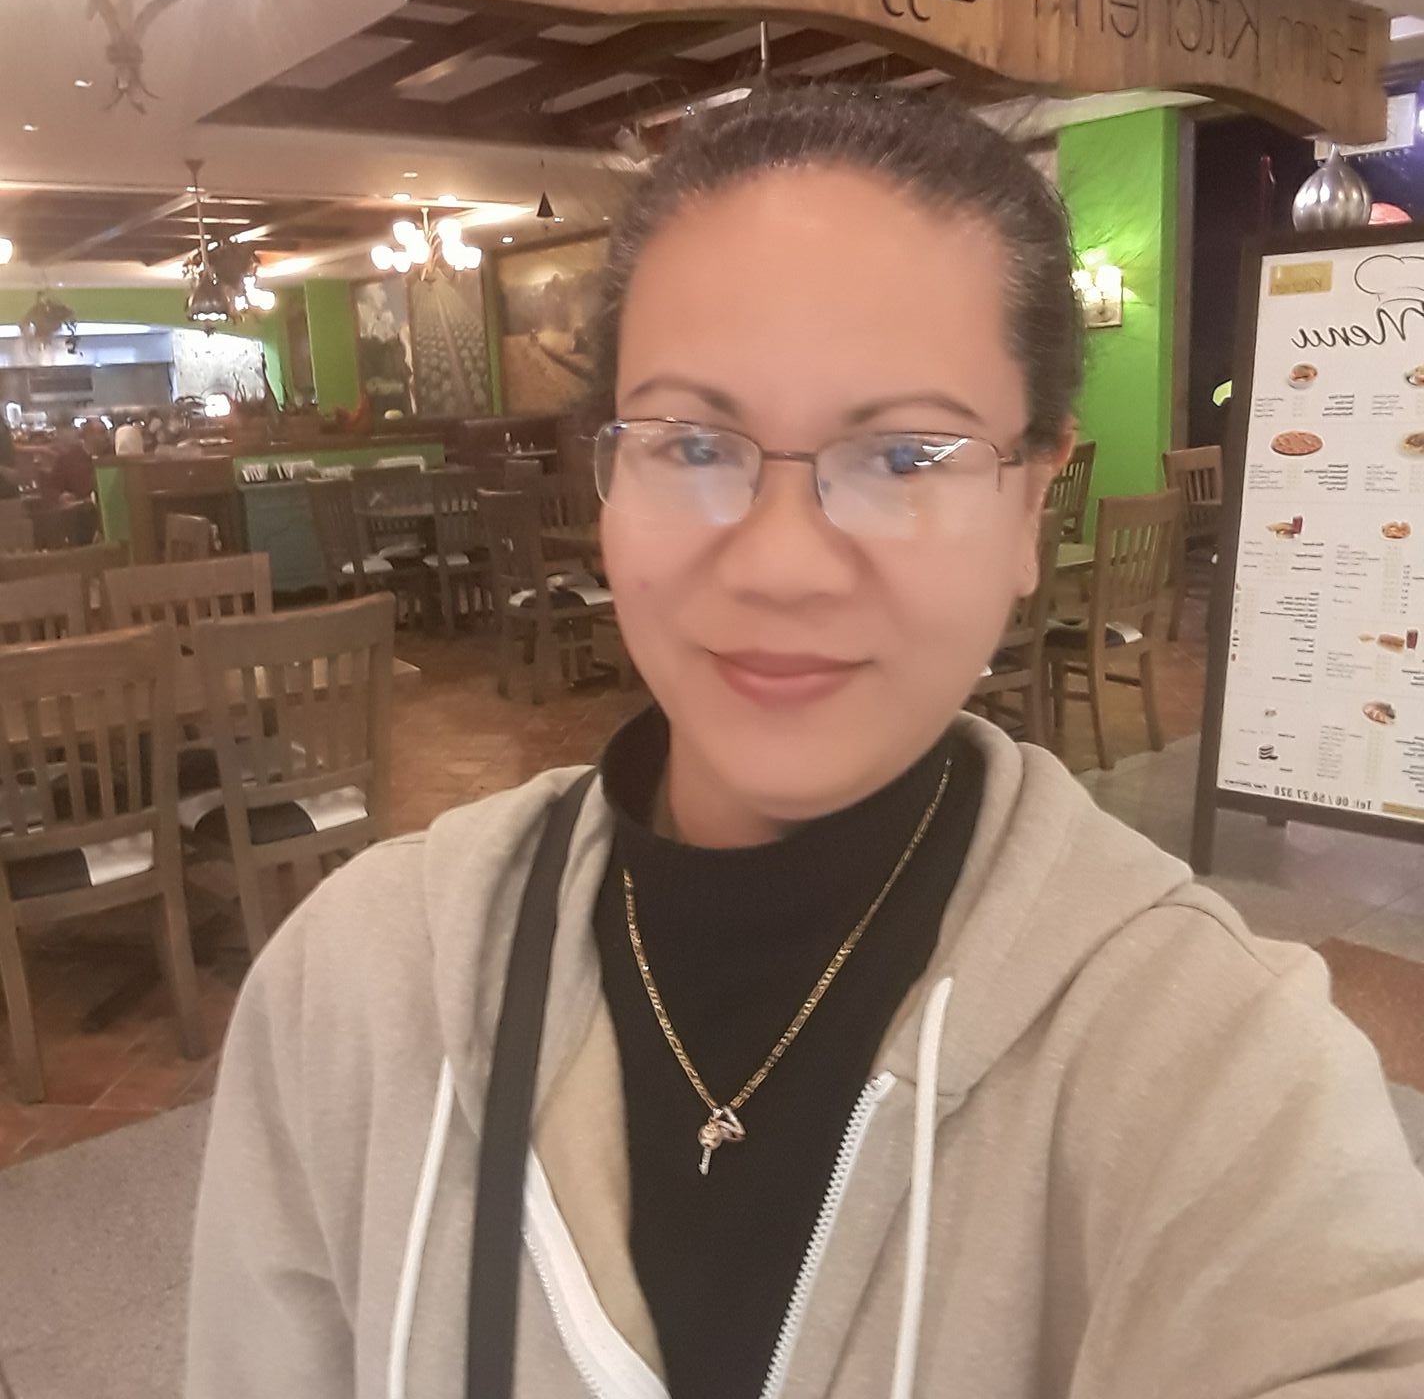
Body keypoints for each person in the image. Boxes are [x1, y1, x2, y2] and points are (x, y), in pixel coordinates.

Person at [187, 90, 1424, 1398]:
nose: (780, 563)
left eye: (904, 455)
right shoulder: (352, 989)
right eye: (691, 443)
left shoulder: (1217, 1068)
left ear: (1029, 501)